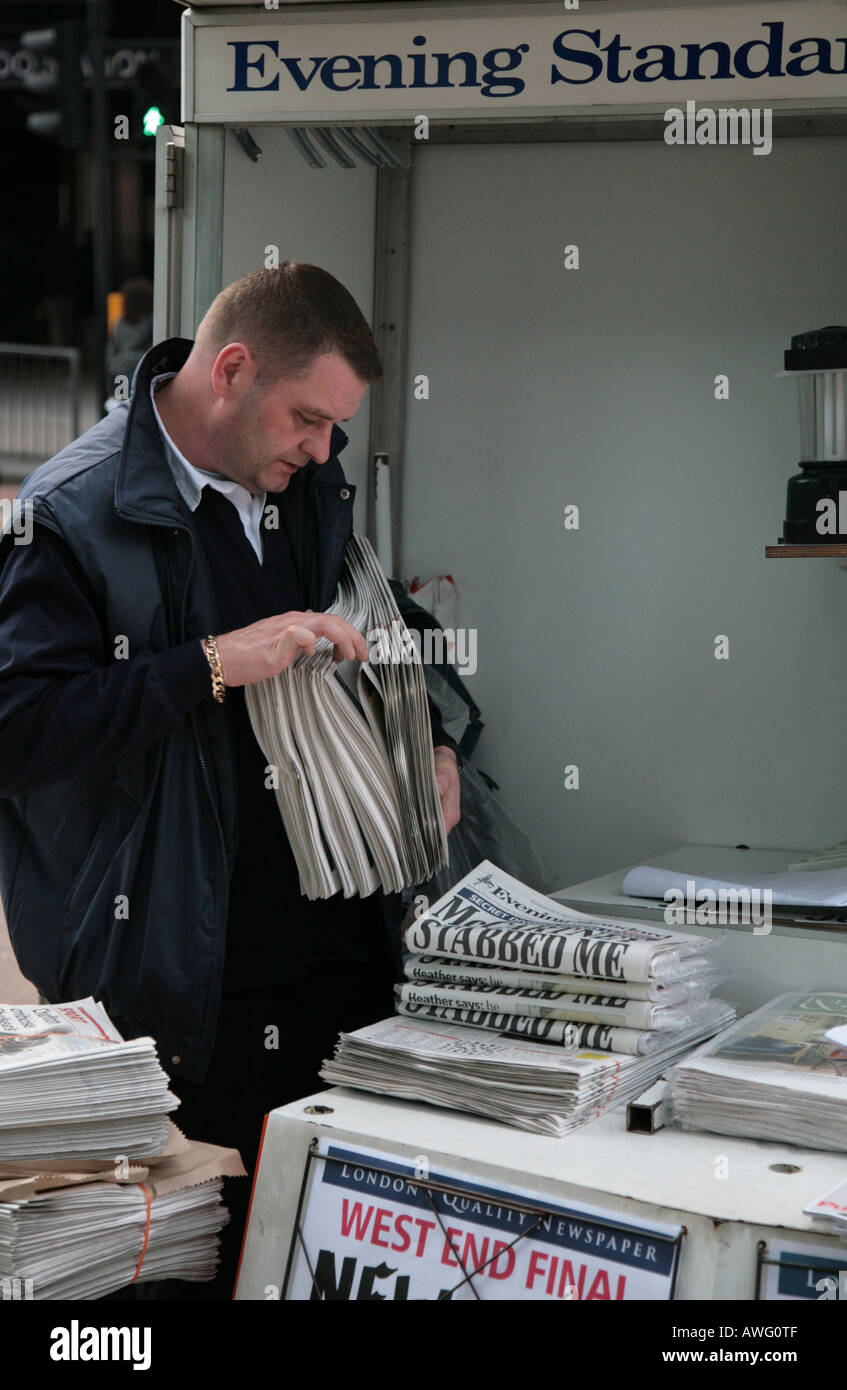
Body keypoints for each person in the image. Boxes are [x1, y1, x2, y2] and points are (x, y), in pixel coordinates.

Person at [0, 263, 461, 1298]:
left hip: (345, 961)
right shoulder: (71, 514)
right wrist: (207, 664)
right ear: (234, 370)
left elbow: (380, 634)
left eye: (335, 426)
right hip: (182, 979)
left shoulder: (305, 487)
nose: (320, 447)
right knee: (202, 1273)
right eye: (307, 418)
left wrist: (431, 745)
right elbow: (18, 730)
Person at [104, 277, 154, 410]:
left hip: (119, 375)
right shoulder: (150, 324)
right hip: (139, 374)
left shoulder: (118, 324)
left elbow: (110, 356)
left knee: (121, 412)